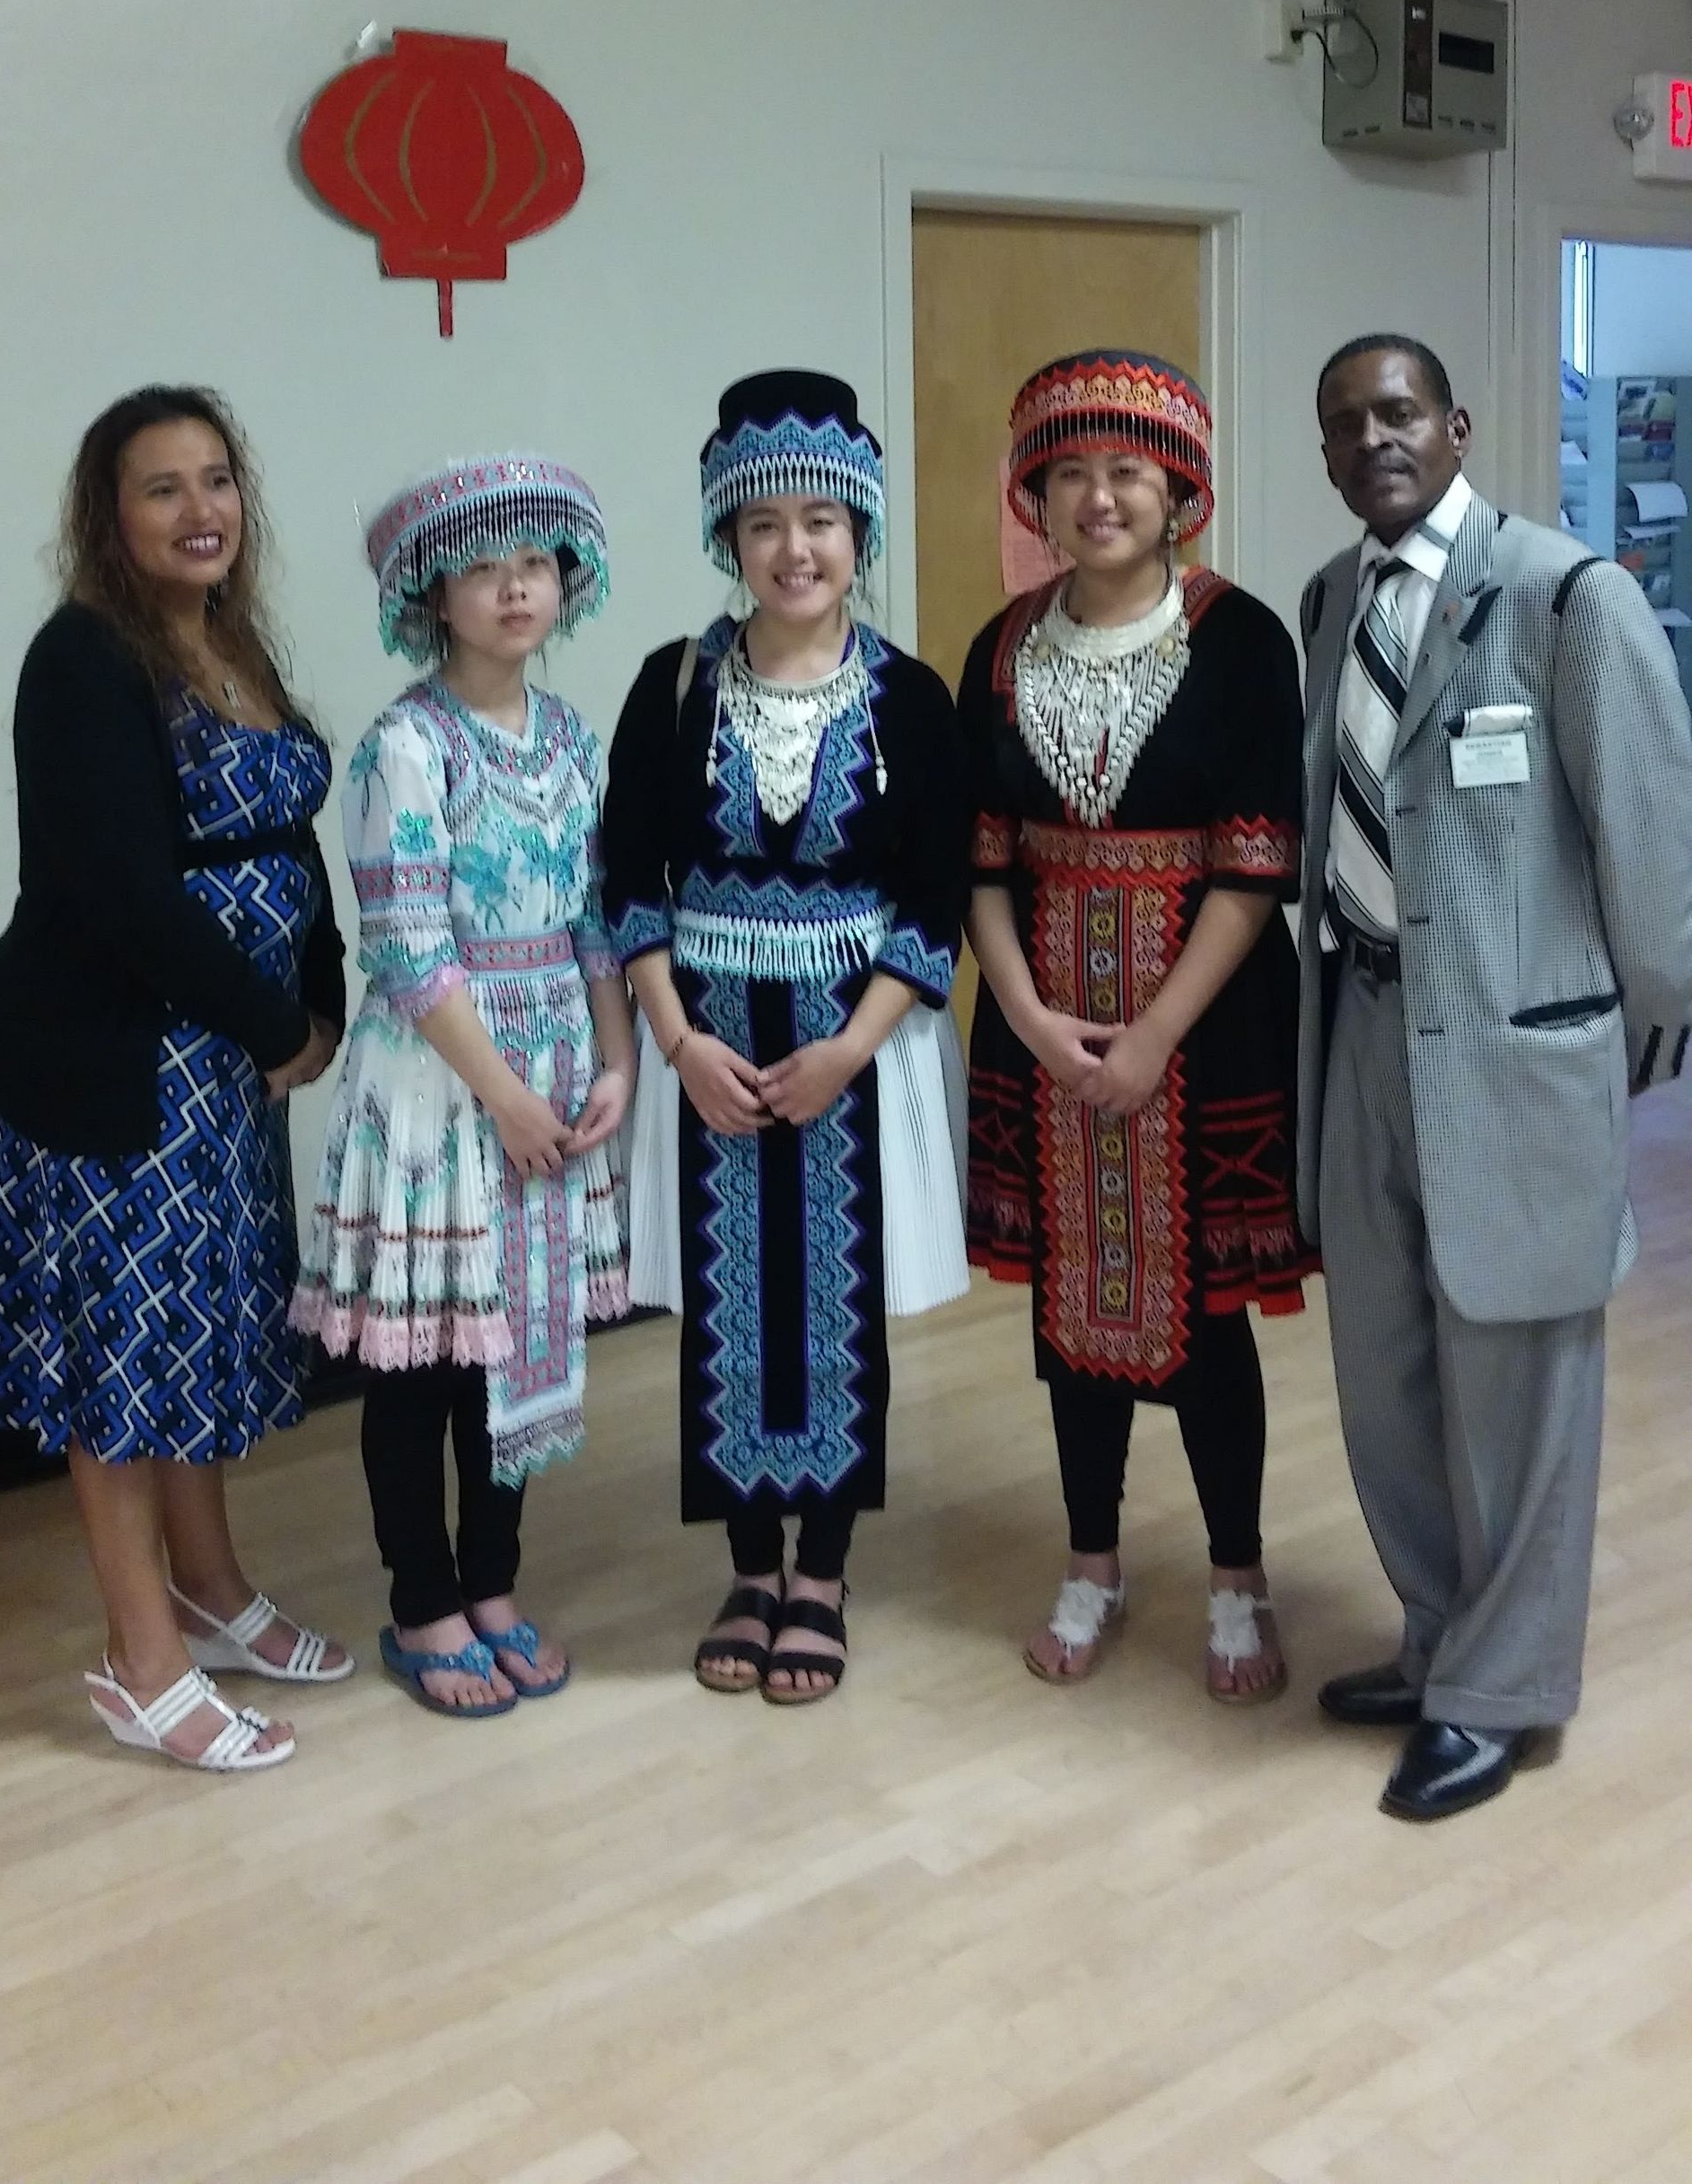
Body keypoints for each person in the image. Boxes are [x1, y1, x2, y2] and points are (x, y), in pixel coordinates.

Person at [1302, 334, 1692, 1820]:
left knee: (1520, 1384)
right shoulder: (1331, 602)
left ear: (1456, 425)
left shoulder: (1569, 598)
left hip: (1518, 1050)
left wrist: (1650, 1030)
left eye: (1399, 410)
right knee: (1389, 1373)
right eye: (1346, 423)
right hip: (1361, 1030)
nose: (1375, 438)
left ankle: (1504, 1689)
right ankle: (1439, 1637)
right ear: (1327, 455)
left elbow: (1652, 835)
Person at [0, 388, 348, 1773]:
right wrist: (273, 1022)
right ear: (108, 515)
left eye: (216, 479)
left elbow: (285, 837)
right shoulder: (83, 657)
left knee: (196, 1336)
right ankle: (143, 1662)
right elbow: (125, 893)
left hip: (219, 1073)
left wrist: (320, 997)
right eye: (162, 487)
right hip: (114, 1067)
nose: (201, 510)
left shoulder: (228, 638)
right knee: (120, 1368)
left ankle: (213, 1588)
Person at [603, 370, 969, 1706]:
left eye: (821, 520)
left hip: (853, 1041)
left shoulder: (910, 699)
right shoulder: (675, 686)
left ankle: (824, 1572)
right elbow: (627, 883)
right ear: (729, 536)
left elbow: (934, 903)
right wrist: (678, 1043)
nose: (794, 548)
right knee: (728, 1303)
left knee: (837, 1305)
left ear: (859, 532)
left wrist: (849, 1051)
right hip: (707, 1038)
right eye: (764, 523)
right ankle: (750, 1566)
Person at [961, 350, 1311, 1703]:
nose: (1099, 496)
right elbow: (982, 863)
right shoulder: (1000, 648)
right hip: (1042, 1018)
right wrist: (1030, 1018)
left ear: (1179, 492)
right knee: (1071, 1305)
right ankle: (1091, 1560)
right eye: (1071, 472)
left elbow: (1255, 862)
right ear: (1037, 497)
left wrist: (1156, 1032)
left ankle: (1237, 1574)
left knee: (1206, 1310)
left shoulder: (1242, 637)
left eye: (1127, 470)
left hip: (1206, 1024)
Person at [291, 457, 635, 1716]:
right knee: (423, 1361)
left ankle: (493, 1582)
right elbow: (410, 947)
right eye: (484, 569)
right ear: (432, 596)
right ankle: (421, 1600)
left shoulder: (572, 738)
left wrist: (615, 1059)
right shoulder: (405, 746)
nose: (514, 588)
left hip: (551, 1071)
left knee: (519, 1343)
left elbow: (598, 919)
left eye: (534, 563)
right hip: (441, 1083)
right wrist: (503, 1095)